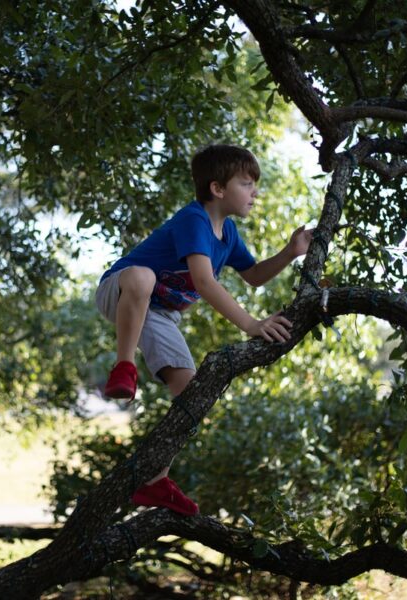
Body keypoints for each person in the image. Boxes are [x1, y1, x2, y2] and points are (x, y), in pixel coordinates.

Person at [95, 144, 312, 515]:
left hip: (159, 313)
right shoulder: (194, 219)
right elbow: (205, 282)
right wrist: (252, 324)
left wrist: (291, 252)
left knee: (190, 388)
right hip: (122, 291)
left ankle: (155, 480)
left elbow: (255, 276)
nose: (254, 192)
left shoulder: (228, 235)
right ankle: (124, 366)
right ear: (218, 189)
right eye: (246, 184)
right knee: (143, 275)